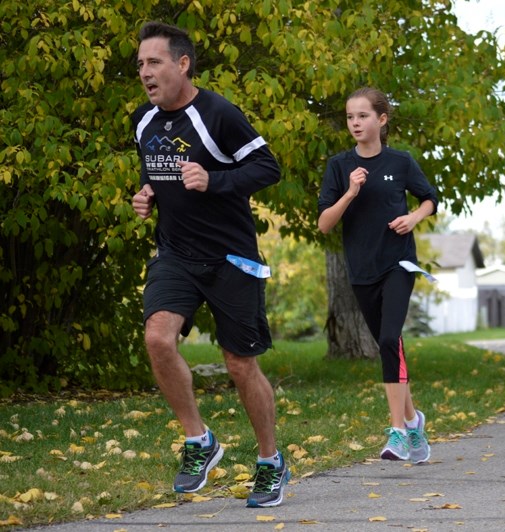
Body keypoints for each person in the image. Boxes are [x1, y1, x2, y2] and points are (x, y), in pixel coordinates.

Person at [131, 21, 289, 508]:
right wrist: (148, 194)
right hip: (176, 254)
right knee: (158, 337)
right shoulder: (143, 121)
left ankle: (270, 461)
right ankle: (200, 441)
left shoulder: (218, 113)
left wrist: (214, 180)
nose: (145, 73)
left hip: (231, 259)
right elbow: (157, 170)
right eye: (140, 65)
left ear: (182, 64)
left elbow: (268, 167)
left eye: (154, 62)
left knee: (240, 364)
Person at [318, 87, 437, 463]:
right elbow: (324, 224)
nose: (355, 123)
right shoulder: (339, 167)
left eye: (363, 116)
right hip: (362, 271)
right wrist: (350, 193)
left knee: (389, 338)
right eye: (350, 117)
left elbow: (430, 198)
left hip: (399, 264)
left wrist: (414, 217)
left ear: (381, 120)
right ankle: (413, 419)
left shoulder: (400, 162)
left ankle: (398, 433)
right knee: (390, 346)